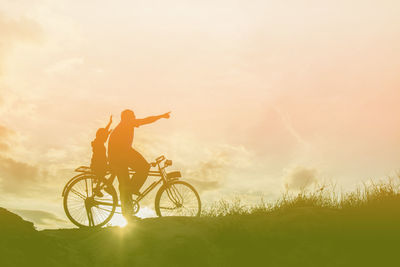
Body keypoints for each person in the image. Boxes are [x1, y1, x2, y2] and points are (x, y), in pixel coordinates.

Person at [108, 109, 170, 219]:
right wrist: (161, 116)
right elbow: (146, 120)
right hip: (120, 156)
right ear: (127, 117)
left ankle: (129, 201)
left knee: (128, 182)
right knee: (138, 173)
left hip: (121, 154)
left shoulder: (124, 125)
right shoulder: (127, 123)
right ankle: (131, 193)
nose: (135, 118)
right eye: (133, 116)